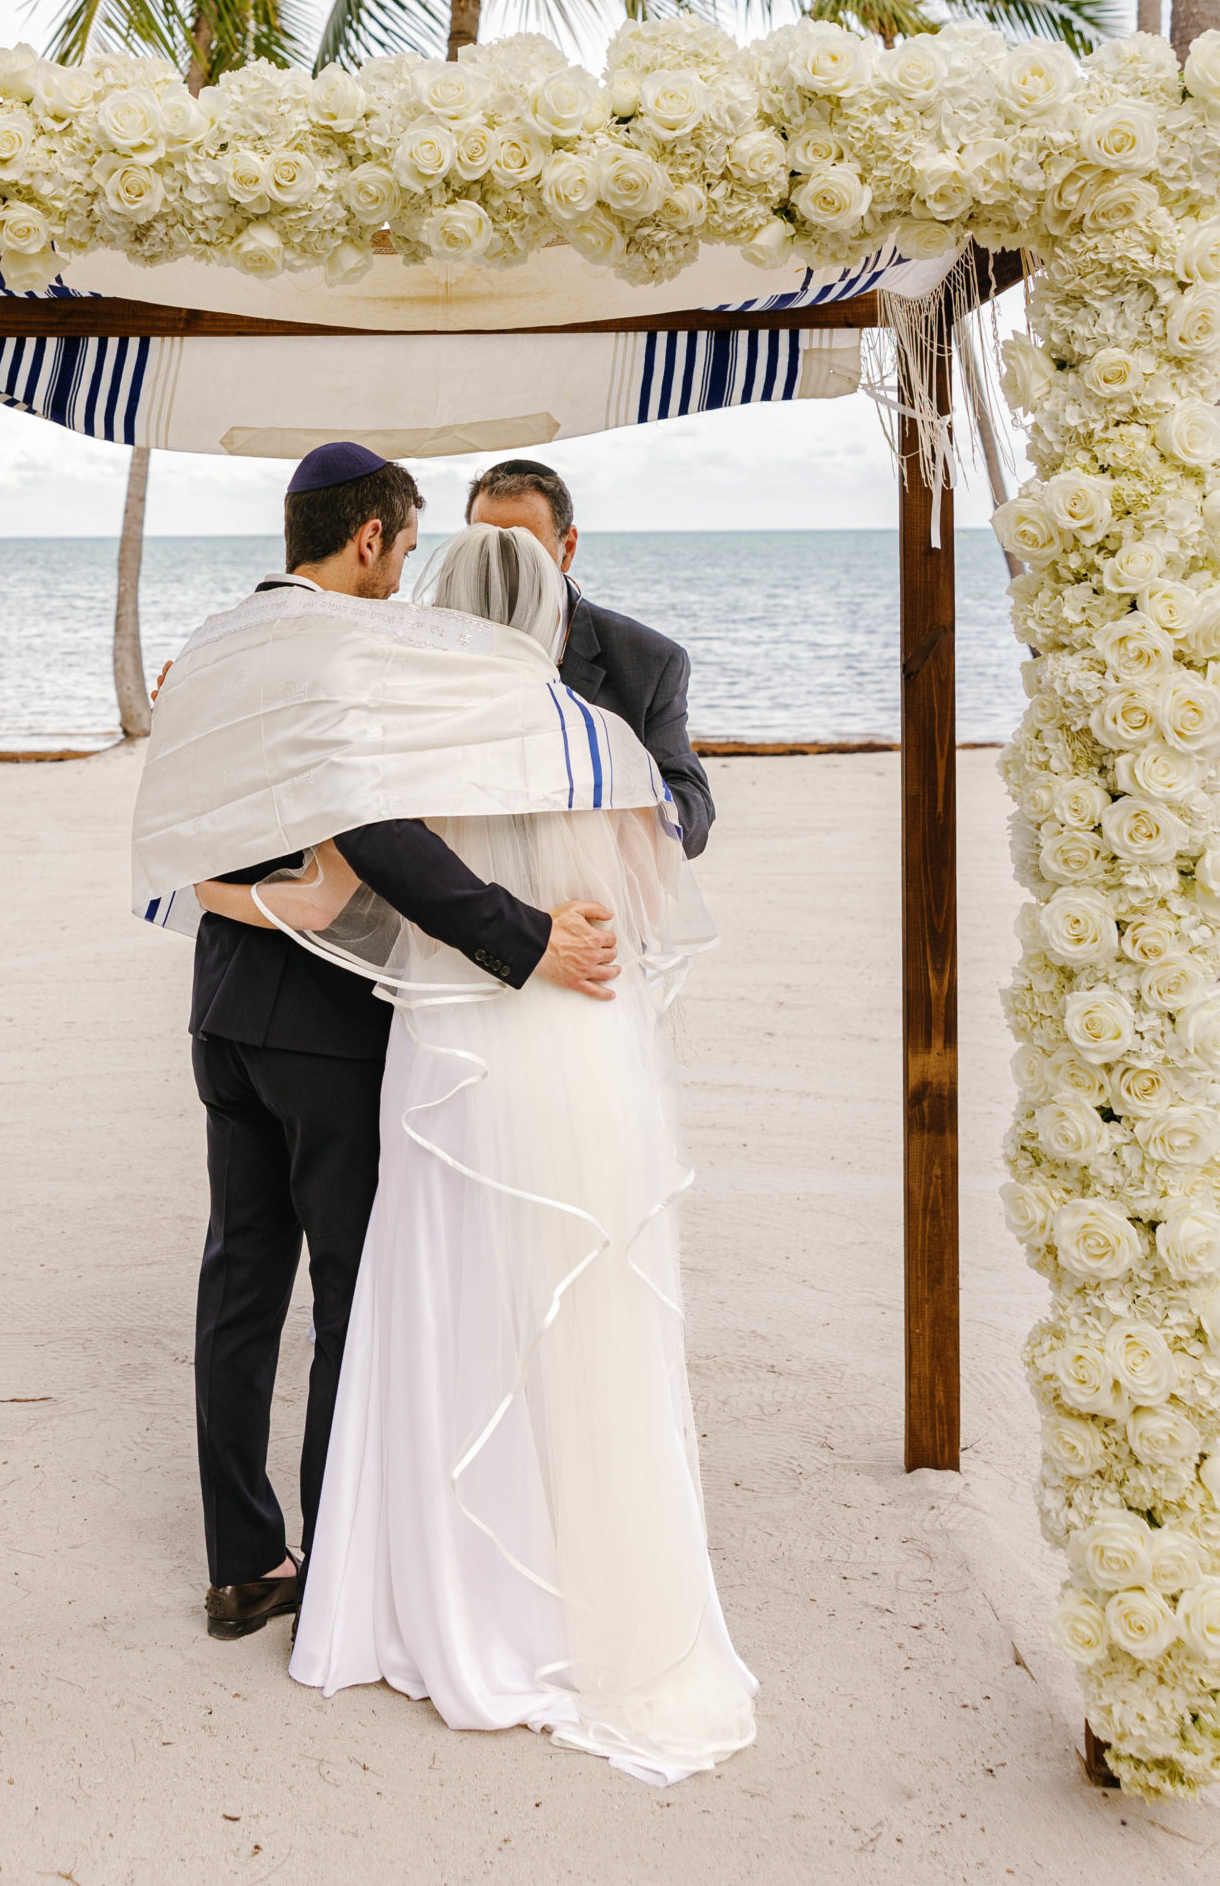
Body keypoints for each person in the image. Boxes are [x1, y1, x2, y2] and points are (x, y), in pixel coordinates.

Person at [278, 524, 756, 1783]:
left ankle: (435, 1598)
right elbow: (651, 905)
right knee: (585, 1310)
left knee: (450, 1295)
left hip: (460, 1046)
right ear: (553, 619)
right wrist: (579, 919)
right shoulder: (599, 736)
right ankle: (585, 1594)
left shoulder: (418, 739)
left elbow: (375, 884)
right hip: (585, 1043)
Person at [181, 443, 624, 1643]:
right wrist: (524, 937)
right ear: (368, 538)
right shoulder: (339, 648)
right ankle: (336, 1563)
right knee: (346, 1294)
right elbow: (375, 828)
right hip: (321, 1025)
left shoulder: (219, 642)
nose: (406, 578)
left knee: (238, 1283)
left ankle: (238, 1563)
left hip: (222, 1005)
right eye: (407, 547)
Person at [466, 459, 714, 859]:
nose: (502, 565)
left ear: (567, 549)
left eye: (524, 548)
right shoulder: (433, 644)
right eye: (486, 545)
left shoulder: (648, 660)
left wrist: (601, 809)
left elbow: (693, 813)